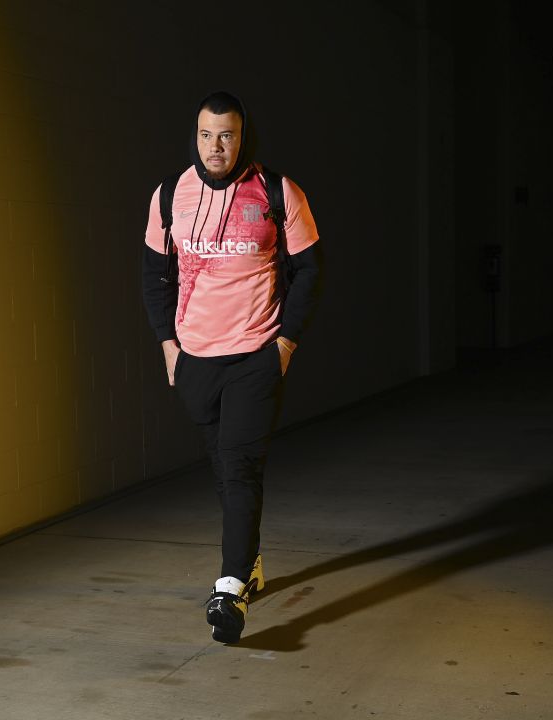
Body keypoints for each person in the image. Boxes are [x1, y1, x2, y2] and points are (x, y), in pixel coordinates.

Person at [140, 91, 323, 644]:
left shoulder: (276, 191)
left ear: (243, 138)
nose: (216, 147)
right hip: (196, 357)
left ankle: (229, 589)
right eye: (206, 135)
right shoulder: (170, 194)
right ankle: (250, 562)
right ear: (194, 136)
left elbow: (309, 270)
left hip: (253, 354)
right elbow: (153, 275)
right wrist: (168, 345)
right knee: (223, 469)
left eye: (227, 136)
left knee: (240, 467)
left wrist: (285, 343)